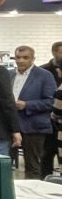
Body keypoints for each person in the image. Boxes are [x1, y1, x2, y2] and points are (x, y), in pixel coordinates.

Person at [11, 46, 57, 179]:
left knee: (32, 166)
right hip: (11, 126)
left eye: (25, 57)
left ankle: (30, 197)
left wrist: (26, 105)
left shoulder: (44, 75)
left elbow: (51, 102)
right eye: (18, 57)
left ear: (33, 58)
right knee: (5, 163)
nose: (21, 60)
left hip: (34, 126)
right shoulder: (9, 74)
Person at [42, 42, 62, 174]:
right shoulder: (42, 71)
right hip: (48, 121)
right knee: (47, 154)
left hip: (58, 121)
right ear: (54, 52)